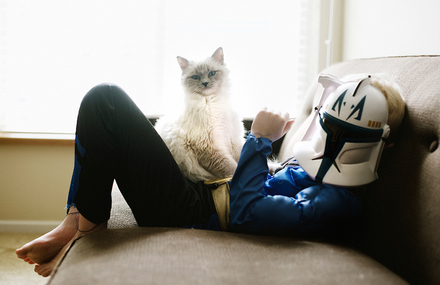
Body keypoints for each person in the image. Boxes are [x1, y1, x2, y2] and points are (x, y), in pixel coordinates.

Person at [16, 73, 405, 277]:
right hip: (202, 194)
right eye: (329, 128)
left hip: (195, 214)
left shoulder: (338, 202)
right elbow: (263, 188)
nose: (329, 139)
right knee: (107, 105)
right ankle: (76, 219)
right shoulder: (317, 171)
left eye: (341, 134)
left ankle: (84, 227)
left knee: (107, 101)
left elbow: (246, 211)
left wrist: (259, 140)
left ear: (381, 146)